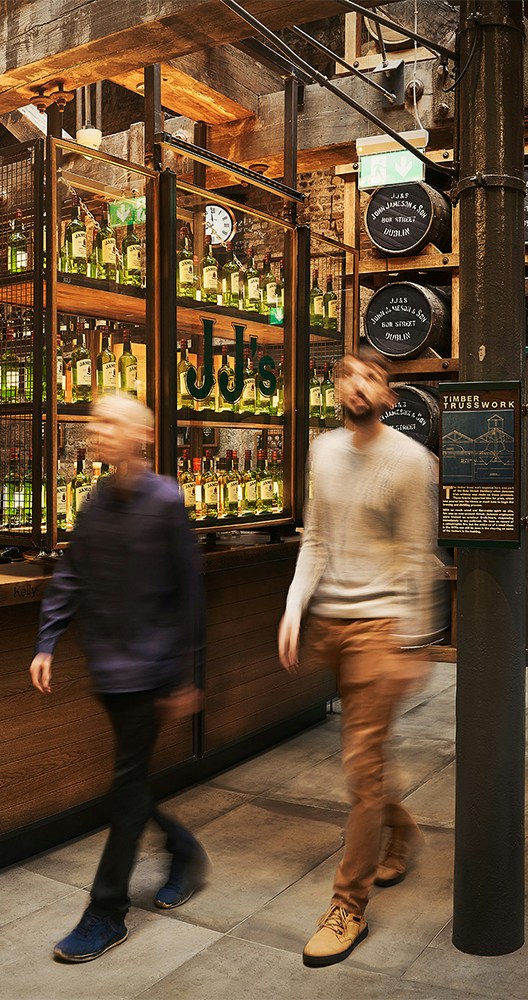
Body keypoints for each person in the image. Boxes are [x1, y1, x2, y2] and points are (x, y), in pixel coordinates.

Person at [29, 394, 207, 964]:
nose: (96, 430)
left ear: (143, 436)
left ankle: (106, 911)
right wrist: (47, 641)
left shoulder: (167, 500)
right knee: (128, 786)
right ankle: (183, 850)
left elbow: (190, 596)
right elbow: (71, 575)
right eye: (95, 422)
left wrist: (186, 675)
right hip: (107, 666)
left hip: (151, 670)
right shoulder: (96, 500)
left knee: (126, 787)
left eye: (111, 422)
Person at [277, 351, 439, 969]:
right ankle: (399, 827)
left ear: (388, 395)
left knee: (359, 766)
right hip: (331, 623)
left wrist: (411, 640)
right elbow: (315, 537)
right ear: (336, 388)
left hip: (379, 627)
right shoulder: (321, 452)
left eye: (369, 376)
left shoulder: (409, 460)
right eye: (346, 374)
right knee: (362, 759)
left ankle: (349, 905)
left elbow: (416, 553)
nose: (356, 384)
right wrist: (294, 609)